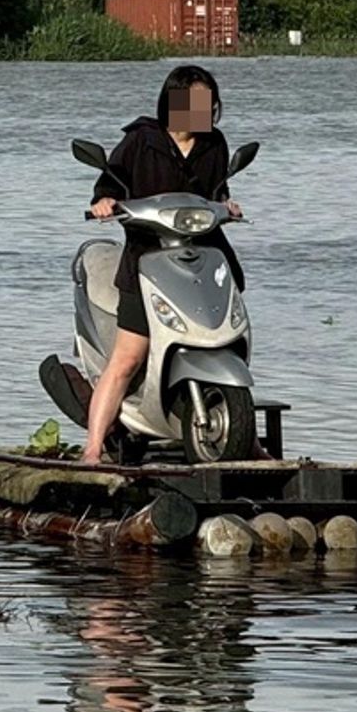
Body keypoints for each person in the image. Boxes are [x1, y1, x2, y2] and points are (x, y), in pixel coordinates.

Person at [82, 65, 245, 464]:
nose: (201, 110)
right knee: (128, 357)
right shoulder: (141, 141)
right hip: (147, 256)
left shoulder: (215, 144)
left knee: (230, 339)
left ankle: (246, 437)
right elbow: (110, 184)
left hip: (203, 256)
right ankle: (92, 447)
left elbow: (217, 190)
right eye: (192, 102)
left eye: (207, 102)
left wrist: (227, 205)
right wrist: (103, 202)